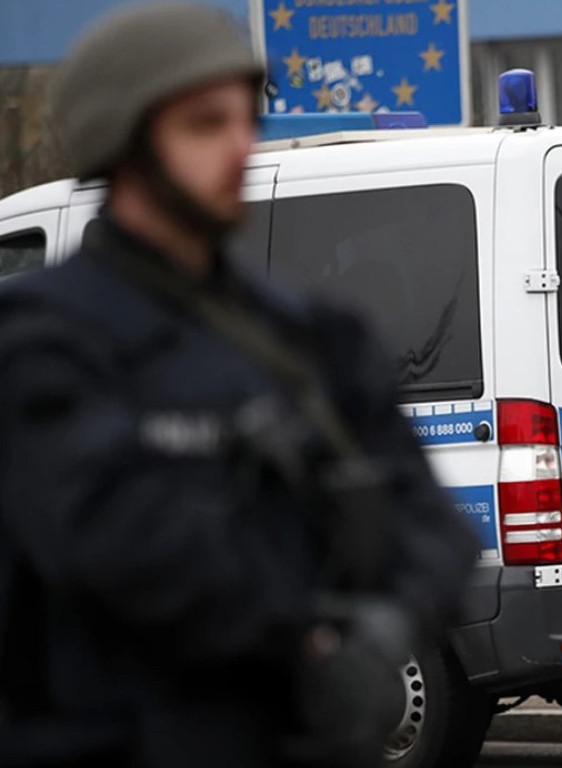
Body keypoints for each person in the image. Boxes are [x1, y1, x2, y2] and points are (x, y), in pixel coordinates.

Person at [0, 4, 477, 767]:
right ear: (122, 140)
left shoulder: (312, 337)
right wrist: (306, 638)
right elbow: (120, 544)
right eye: (203, 125)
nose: (239, 147)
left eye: (244, 120)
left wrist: (386, 627)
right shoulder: (40, 339)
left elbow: (431, 525)